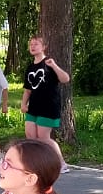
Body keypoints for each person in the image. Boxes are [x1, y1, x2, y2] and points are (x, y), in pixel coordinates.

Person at [20, 35, 71, 169]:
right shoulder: (30, 67)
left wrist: (54, 66)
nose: (32, 46)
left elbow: (65, 79)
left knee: (43, 137)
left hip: (49, 106)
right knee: (30, 136)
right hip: (34, 106)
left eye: (36, 44)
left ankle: (61, 163)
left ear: (43, 47)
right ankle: (39, 163)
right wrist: (23, 103)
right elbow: (27, 89)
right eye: (31, 44)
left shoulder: (49, 63)